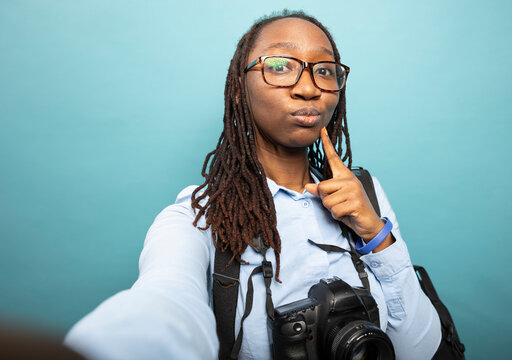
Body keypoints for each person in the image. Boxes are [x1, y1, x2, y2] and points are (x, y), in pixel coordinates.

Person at [65, 10, 442, 360]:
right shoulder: (198, 217)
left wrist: (376, 234)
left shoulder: (365, 192)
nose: (309, 89)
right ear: (238, 87)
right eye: (280, 66)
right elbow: (164, 302)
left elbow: (418, 349)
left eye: (324, 70)